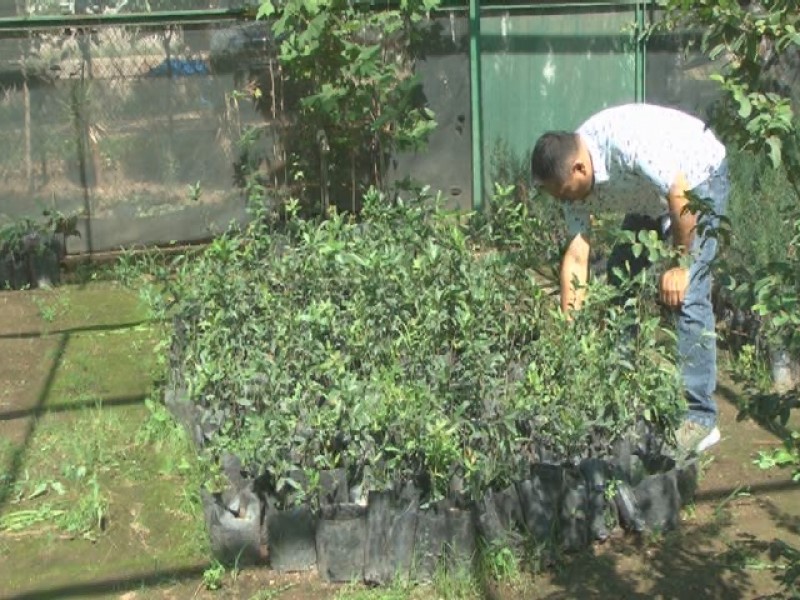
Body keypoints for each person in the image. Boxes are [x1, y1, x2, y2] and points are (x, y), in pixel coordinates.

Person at [530, 103, 729, 457]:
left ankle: (700, 419)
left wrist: (680, 265)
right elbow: (577, 257)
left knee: (688, 293)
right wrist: (570, 338)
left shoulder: (625, 143)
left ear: (579, 167)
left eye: (564, 192)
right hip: (650, 195)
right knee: (620, 286)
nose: (564, 200)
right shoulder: (571, 177)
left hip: (697, 178)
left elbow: (681, 196)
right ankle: (621, 391)